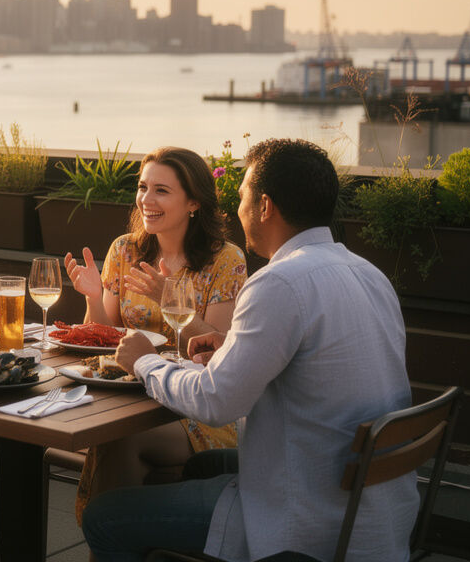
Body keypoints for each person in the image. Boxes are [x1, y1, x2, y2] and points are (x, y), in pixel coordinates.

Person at [83, 139, 415, 562]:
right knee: (199, 468)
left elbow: (216, 402)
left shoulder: (279, 282)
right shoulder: (368, 274)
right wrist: (230, 347)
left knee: (104, 517)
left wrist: (144, 361)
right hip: (368, 506)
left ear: (265, 207)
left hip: (300, 510)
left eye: (241, 196)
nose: (237, 210)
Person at [64, 146, 245, 515]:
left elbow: (218, 353)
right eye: (143, 187)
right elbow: (108, 340)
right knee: (116, 436)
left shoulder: (226, 260)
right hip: (130, 399)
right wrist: (94, 297)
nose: (146, 199)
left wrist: (170, 300)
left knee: (119, 442)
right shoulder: (124, 251)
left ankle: (112, 533)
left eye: (162, 190)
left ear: (193, 202)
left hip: (195, 408)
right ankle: (120, 535)